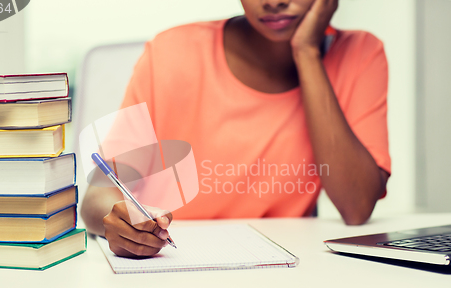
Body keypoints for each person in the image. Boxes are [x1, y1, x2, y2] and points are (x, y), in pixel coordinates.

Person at [81, 0, 391, 257]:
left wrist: (306, 53)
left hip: (285, 270)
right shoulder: (172, 50)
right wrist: (122, 224)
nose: (273, 2)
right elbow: (98, 196)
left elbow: (357, 207)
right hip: (172, 265)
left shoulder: (360, 52)